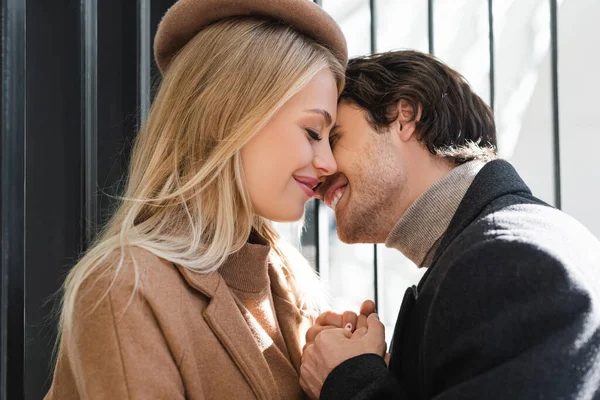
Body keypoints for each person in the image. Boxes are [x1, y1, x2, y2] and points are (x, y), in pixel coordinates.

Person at [45, 0, 348, 398]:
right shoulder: (126, 289)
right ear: (228, 115)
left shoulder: (289, 284)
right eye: (313, 131)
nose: (327, 162)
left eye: (331, 139)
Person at [300, 50, 600, 399]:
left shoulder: (509, 261)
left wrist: (348, 378)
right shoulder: (499, 251)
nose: (319, 168)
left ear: (405, 116)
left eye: (332, 138)